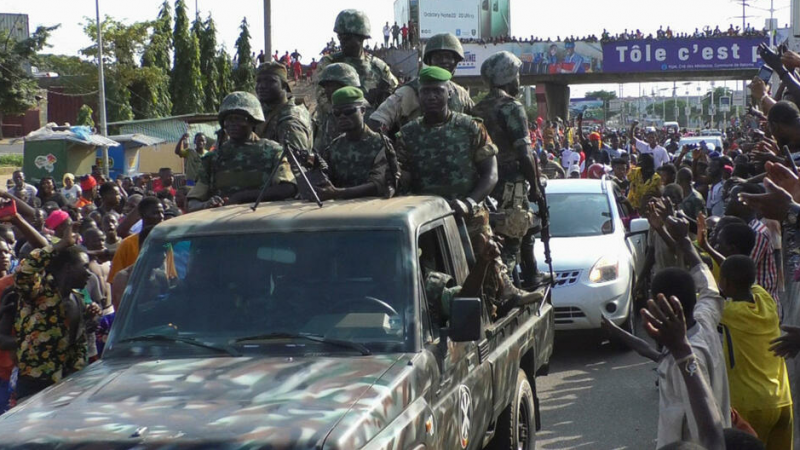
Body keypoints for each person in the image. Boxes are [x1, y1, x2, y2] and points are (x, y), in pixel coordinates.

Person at [395, 66, 540, 316]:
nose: (431, 97)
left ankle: (505, 294)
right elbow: (404, 177)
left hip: (468, 213)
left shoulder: (470, 127)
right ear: (418, 96)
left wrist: (470, 202)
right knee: (429, 274)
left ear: (448, 93)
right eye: (426, 92)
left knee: (487, 260)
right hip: (426, 220)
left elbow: (490, 173)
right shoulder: (407, 134)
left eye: (437, 91)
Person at [472, 51, 547, 288]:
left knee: (517, 230)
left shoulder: (477, 109)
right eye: (517, 76)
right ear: (507, 77)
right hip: (511, 184)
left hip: (485, 183)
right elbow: (524, 153)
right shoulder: (511, 107)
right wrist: (535, 188)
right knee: (511, 242)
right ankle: (501, 289)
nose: (519, 81)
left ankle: (529, 275)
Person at [14, 225, 98, 400]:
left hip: (68, 384)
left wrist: (89, 319)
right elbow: (24, 271)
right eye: (84, 267)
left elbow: (76, 345)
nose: (89, 274)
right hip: (35, 385)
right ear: (68, 267)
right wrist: (59, 246)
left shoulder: (78, 299)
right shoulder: (39, 292)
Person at [718, 255, 793, 450]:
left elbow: (704, 299)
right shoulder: (765, 299)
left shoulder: (729, 312)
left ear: (724, 282)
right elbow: (743, 277)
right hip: (782, 400)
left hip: (749, 403)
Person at [187, 92, 296, 212]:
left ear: (253, 121)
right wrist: (206, 204)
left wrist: (241, 197)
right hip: (222, 222)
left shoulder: (272, 151)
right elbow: (192, 202)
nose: (233, 124)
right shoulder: (213, 158)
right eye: (229, 120)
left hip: (264, 219)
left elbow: (288, 188)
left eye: (239, 119)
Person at [369, 33, 473, 136]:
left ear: (456, 61)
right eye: (438, 57)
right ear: (429, 61)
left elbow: (478, 121)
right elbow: (378, 120)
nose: (444, 61)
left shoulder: (460, 93)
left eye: (448, 57)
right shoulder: (410, 91)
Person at [315, 87, 391, 201]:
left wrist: (338, 193)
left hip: (374, 210)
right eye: (337, 113)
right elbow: (326, 178)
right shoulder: (334, 147)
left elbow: (378, 185)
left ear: (363, 110)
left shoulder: (380, 144)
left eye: (349, 111)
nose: (342, 117)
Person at [315, 10, 398, 113]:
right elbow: (322, 97)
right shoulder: (329, 63)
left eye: (347, 38)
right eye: (340, 37)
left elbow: (396, 94)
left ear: (362, 38)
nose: (342, 41)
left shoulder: (378, 67)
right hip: (336, 122)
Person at [725, 183, 780, 302]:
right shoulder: (741, 228)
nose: (727, 201)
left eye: (732, 198)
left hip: (761, 305)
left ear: (747, 204)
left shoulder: (757, 233)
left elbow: (738, 271)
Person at [254, 62, 315, 166]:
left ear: (284, 86)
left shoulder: (289, 122)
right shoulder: (273, 111)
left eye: (270, 81)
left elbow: (296, 167)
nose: (262, 86)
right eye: (258, 81)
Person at [107, 196, 163, 285]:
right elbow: (114, 280)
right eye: (155, 213)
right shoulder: (128, 244)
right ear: (143, 215)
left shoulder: (166, 243)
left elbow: (171, 275)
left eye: (162, 213)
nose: (161, 217)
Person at [312, 63, 363, 153]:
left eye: (331, 85)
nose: (326, 90)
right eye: (325, 86)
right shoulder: (326, 110)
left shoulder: (358, 111)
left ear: (347, 85)